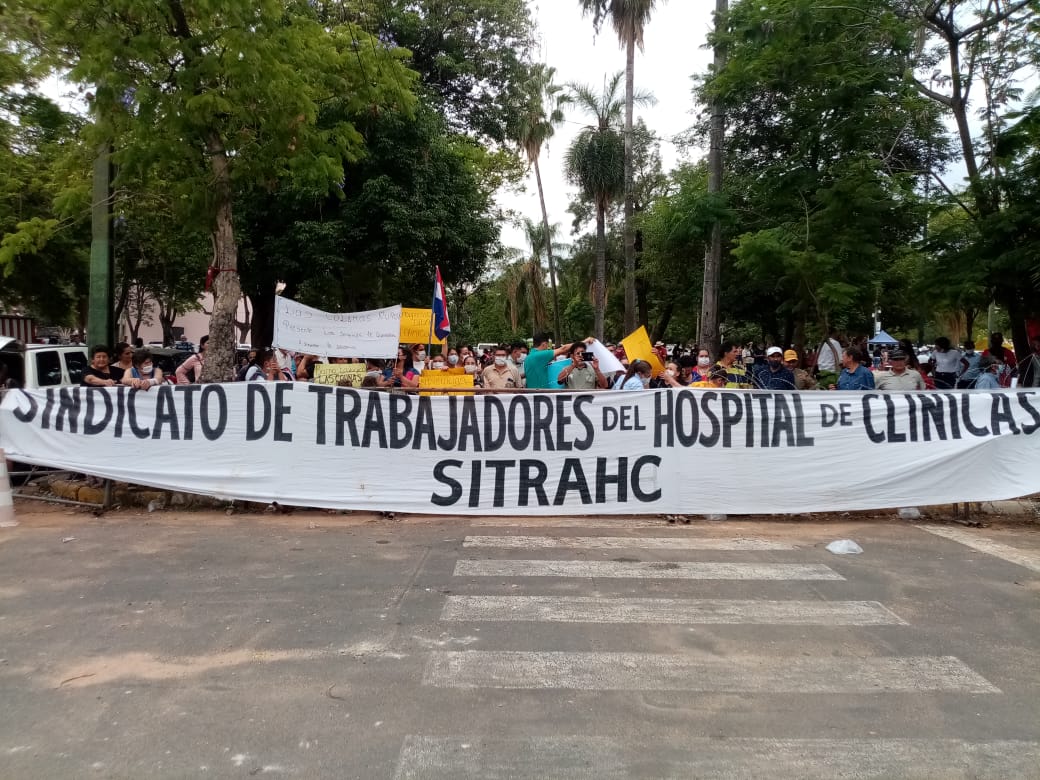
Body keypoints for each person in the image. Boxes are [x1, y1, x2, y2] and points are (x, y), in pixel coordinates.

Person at [525, 331, 591, 390]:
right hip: (541, 395)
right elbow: (563, 349)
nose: (547, 348)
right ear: (544, 344)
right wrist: (585, 341)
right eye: (547, 345)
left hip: (532, 395)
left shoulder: (528, 358)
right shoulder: (539, 355)